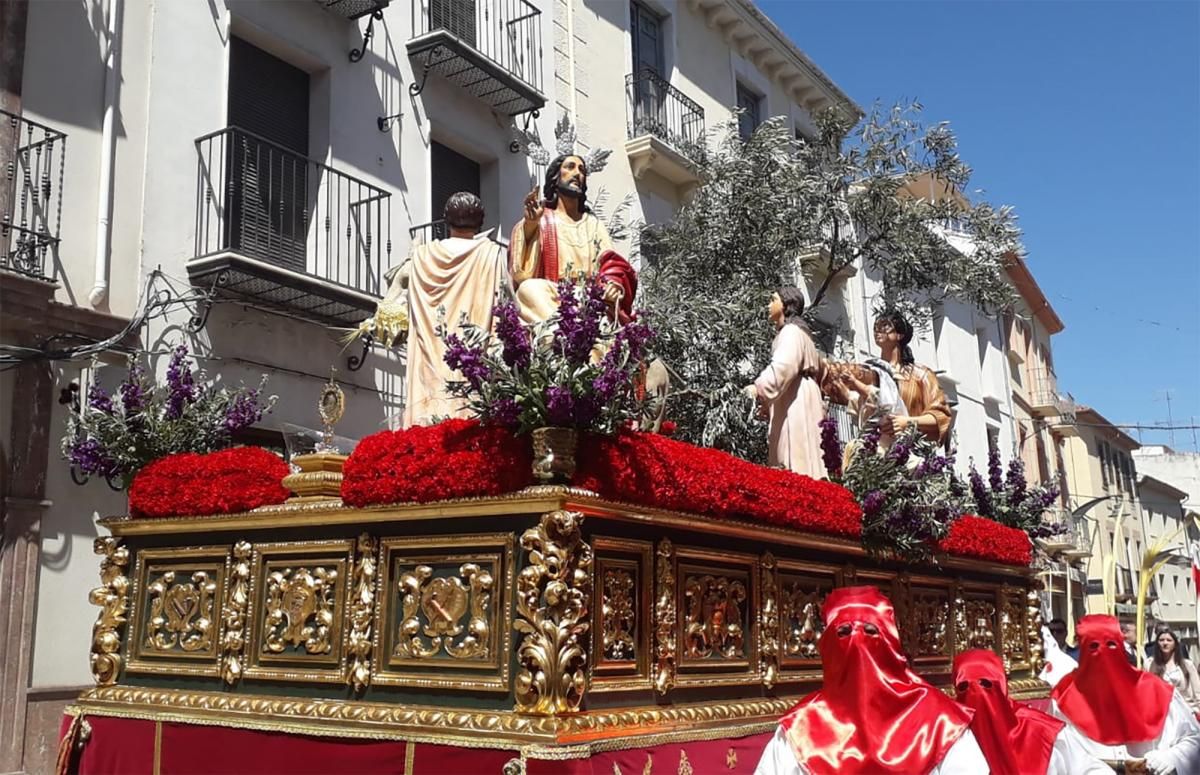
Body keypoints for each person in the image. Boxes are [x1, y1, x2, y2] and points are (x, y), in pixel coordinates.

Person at [754, 585, 987, 774]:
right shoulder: (798, 729)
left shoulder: (940, 722)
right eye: (844, 632)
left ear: (891, 644)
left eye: (870, 631)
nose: (858, 643)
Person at [373, 192, 511, 427]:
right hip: (474, 388)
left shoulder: (420, 257)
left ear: (446, 220)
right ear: (481, 222)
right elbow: (508, 312)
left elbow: (387, 323)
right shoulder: (495, 256)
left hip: (427, 386)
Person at [1051, 614, 1200, 774]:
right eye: (1093, 647)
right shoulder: (1062, 698)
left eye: (1111, 645)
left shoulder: (1157, 691)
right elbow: (1059, 756)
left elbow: (1193, 738)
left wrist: (1173, 758)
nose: (1103, 654)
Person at [509, 154, 636, 326]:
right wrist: (531, 224)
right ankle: (558, 332)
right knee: (528, 289)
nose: (577, 173)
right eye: (570, 167)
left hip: (587, 297)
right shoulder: (543, 219)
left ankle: (573, 332)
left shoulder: (593, 224)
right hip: (552, 295)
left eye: (581, 170)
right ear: (555, 177)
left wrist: (613, 285)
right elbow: (521, 274)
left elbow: (610, 262)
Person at [955, 648, 1108, 774]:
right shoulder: (950, 738)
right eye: (964, 687)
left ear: (1002, 685)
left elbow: (1091, 769)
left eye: (985, 684)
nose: (976, 693)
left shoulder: (1042, 730)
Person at [745, 288, 826, 480]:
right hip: (797, 393)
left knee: (794, 457)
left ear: (786, 304)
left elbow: (783, 367)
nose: (768, 305)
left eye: (773, 300)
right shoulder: (799, 332)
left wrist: (758, 388)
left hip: (795, 399)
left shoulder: (791, 332)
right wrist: (767, 405)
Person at [873, 311, 953, 445]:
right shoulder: (871, 371)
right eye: (876, 327)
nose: (878, 330)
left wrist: (907, 422)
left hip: (910, 451)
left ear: (899, 335)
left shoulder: (922, 375)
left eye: (885, 325)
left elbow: (941, 416)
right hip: (874, 452)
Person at [1149, 628, 1200, 713]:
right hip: (1161, 713)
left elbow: (1198, 692)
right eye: (1161, 640)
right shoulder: (1150, 664)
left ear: (1175, 644)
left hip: (1186, 712)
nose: (1165, 643)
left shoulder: (1187, 665)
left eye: (1169, 640)